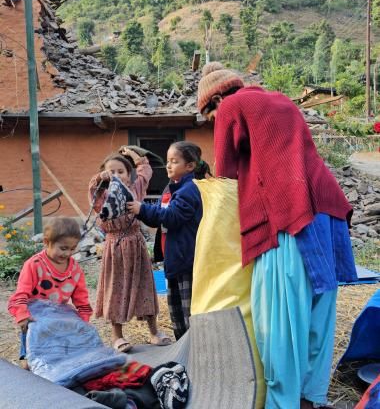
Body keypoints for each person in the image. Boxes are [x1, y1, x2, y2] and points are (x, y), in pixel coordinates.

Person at [197, 62, 357, 409]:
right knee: (320, 309)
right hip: (326, 211)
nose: (212, 122)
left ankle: (283, 402)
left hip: (288, 216)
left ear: (215, 100)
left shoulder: (230, 106)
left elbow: (224, 173)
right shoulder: (281, 100)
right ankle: (311, 397)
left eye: (207, 116)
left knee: (281, 320)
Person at [88, 148, 170, 352]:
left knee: (146, 287)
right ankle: (117, 336)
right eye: (111, 172)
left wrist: (132, 155)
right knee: (116, 288)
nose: (116, 176)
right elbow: (93, 189)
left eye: (121, 171)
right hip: (114, 248)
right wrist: (101, 178)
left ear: (128, 174)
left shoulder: (136, 189)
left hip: (136, 245)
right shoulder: (103, 195)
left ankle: (154, 332)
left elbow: (145, 169)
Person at [128, 141, 203, 340]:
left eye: (174, 161)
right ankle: (183, 348)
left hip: (186, 259)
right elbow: (161, 216)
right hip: (175, 260)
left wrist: (141, 209)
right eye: (168, 161)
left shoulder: (189, 190)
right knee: (176, 312)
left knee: (189, 313)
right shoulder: (174, 189)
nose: (168, 165)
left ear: (190, 166)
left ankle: (193, 350)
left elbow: (172, 217)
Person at [8, 217, 92, 368]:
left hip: (58, 313)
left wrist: (83, 320)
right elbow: (21, 294)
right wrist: (22, 315)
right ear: (47, 242)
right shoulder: (33, 265)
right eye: (63, 248)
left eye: (72, 249)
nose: (67, 253)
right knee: (31, 340)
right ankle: (28, 360)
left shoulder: (75, 269)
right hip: (34, 314)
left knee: (58, 347)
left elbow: (81, 298)